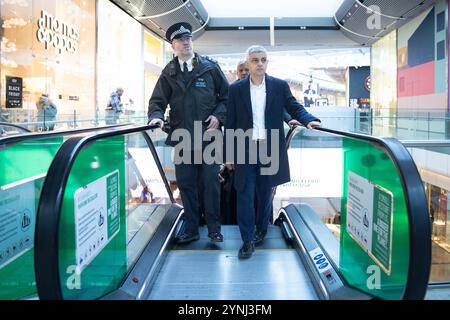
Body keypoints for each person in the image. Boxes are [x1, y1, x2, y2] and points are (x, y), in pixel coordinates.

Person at [225, 45, 321, 259]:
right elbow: (230, 122)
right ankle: (247, 240)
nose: (260, 63)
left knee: (266, 193)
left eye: (263, 59)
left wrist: (309, 119)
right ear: (248, 63)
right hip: (244, 148)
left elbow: (294, 106)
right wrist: (228, 154)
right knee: (245, 195)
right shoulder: (236, 89)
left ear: (267, 62)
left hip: (270, 149)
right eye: (255, 60)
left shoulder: (279, 86)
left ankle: (261, 230)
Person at [147, 22, 229, 244]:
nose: (186, 42)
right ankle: (192, 228)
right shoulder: (169, 72)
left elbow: (226, 97)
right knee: (186, 185)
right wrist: (155, 115)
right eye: (180, 40)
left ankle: (214, 229)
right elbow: (157, 101)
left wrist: (219, 117)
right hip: (182, 138)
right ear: (172, 45)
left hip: (208, 137)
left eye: (188, 38)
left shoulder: (210, 68)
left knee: (211, 183)